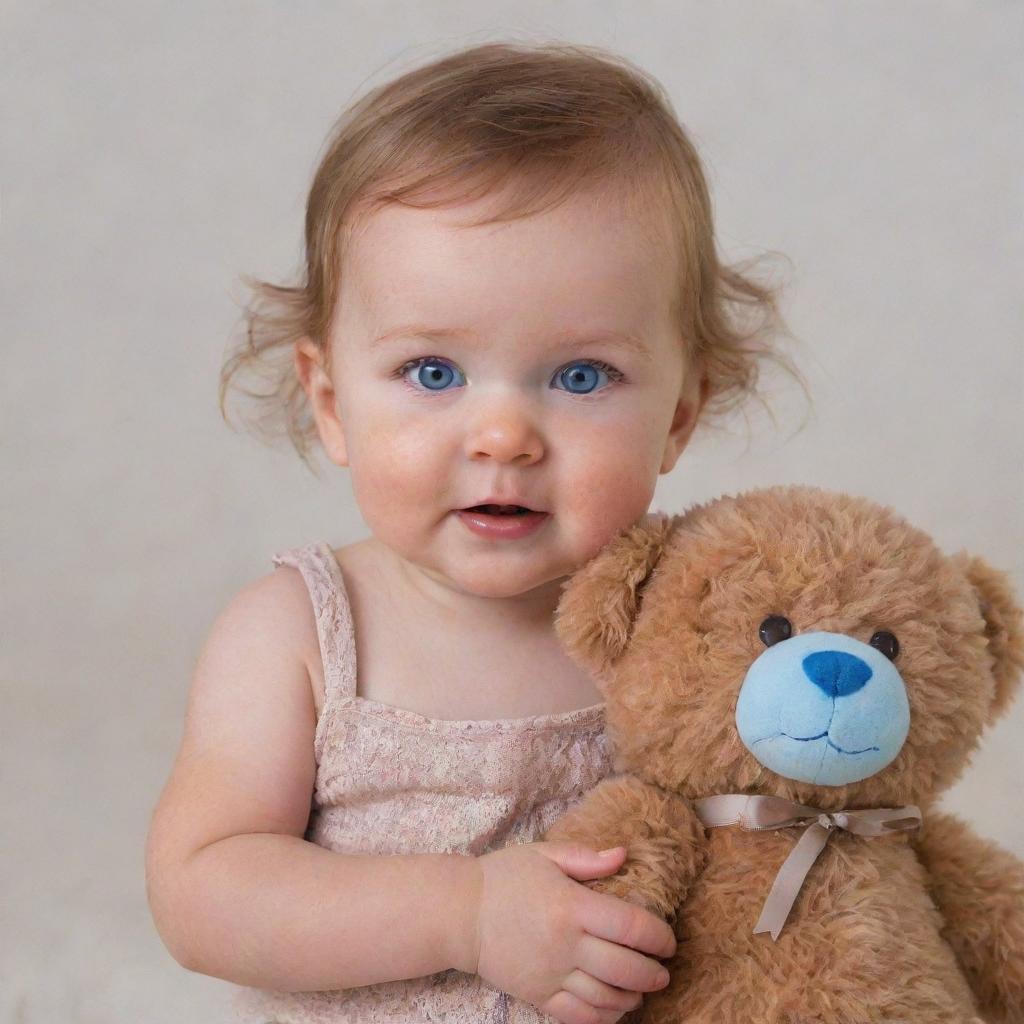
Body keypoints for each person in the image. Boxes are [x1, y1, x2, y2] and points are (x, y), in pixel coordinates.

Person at [144, 40, 797, 1024]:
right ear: (329, 400)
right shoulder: (298, 635)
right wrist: (467, 910)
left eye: (579, 376)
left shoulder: (692, 621)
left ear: (676, 415)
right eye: (434, 373)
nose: (503, 437)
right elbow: (202, 891)